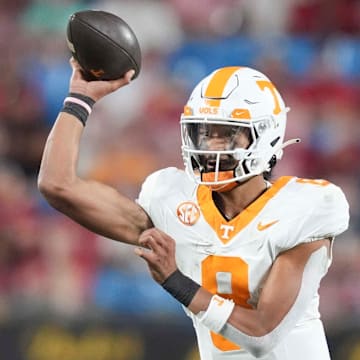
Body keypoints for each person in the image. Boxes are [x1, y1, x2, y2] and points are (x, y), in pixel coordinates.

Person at [38, 60, 350, 360]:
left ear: (266, 134)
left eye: (227, 133)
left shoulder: (305, 207)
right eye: (205, 132)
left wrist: (176, 280)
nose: (212, 145)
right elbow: (57, 185)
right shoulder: (173, 200)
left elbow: (261, 334)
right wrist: (80, 97)